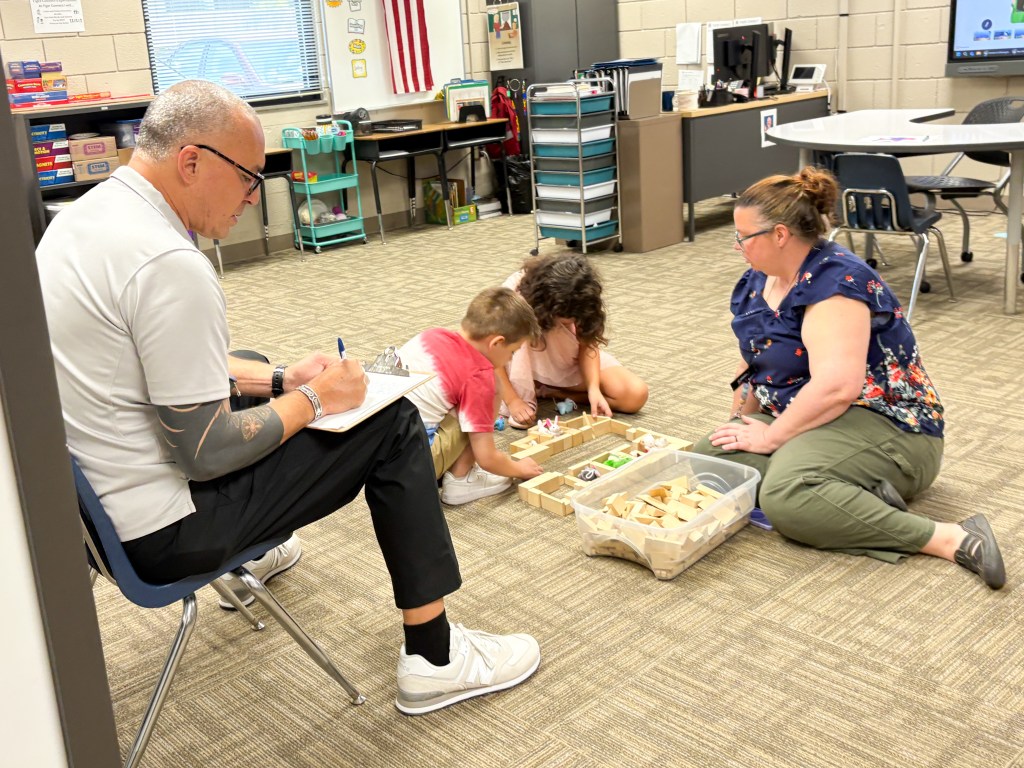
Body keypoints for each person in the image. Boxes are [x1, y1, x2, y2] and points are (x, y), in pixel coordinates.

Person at [36, 80, 541, 715]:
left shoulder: (81, 219)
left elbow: (151, 367)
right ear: (191, 161)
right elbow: (205, 450)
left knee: (247, 365)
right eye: (249, 176)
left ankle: (264, 545)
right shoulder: (168, 262)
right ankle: (435, 655)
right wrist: (316, 398)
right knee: (395, 424)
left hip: (98, 519)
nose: (254, 196)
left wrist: (280, 380)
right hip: (168, 533)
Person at [692, 167, 1005, 589]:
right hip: (812, 415)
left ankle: (949, 537)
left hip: (888, 422)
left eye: (743, 237)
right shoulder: (757, 281)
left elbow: (837, 387)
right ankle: (854, 491)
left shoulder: (837, 282)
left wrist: (769, 439)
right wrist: (738, 423)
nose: (736, 246)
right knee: (711, 457)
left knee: (788, 495)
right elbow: (753, 362)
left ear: (780, 234)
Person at [398, 287, 545, 505]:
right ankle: (461, 480)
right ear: (496, 343)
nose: (508, 360)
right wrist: (518, 468)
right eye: (512, 352)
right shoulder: (479, 377)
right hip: (409, 467)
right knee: (487, 394)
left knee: (458, 397)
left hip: (377, 450)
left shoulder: (433, 335)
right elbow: (487, 458)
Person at [498, 253, 649, 428]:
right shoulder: (513, 295)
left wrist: (593, 389)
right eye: (565, 319)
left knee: (635, 394)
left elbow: (588, 343)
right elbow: (493, 355)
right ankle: (534, 387)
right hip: (522, 366)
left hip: (568, 363)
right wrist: (513, 401)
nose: (570, 321)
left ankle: (550, 392)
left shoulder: (582, 297)